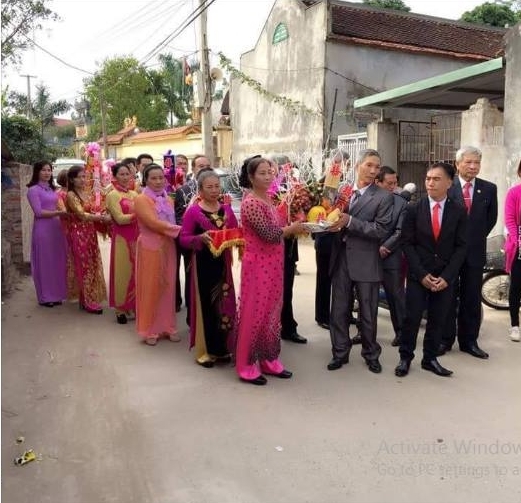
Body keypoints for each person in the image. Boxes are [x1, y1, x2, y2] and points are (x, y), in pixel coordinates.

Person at [235, 156, 306, 385]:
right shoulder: (251, 202)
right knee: (254, 313)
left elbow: (277, 228)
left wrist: (297, 219)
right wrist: (292, 228)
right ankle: (246, 365)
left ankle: (268, 359)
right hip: (257, 264)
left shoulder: (268, 198)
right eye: (262, 173)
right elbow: (270, 234)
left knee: (272, 312)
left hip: (274, 262)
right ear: (251, 176)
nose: (268, 176)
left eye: (270, 172)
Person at [395, 162, 468, 378]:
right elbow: (407, 243)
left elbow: (462, 246)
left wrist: (447, 276)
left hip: (444, 276)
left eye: (436, 179)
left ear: (449, 182)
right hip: (419, 274)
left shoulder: (458, 211)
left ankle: (430, 359)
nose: (430, 183)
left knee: (438, 319)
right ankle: (405, 357)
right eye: (428, 178)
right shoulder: (413, 209)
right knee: (412, 318)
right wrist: (420, 273)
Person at [326, 149, 393, 373]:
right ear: (357, 165)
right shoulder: (341, 190)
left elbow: (381, 230)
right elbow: (327, 215)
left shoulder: (383, 197)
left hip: (366, 260)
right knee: (339, 309)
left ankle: (371, 353)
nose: (373, 171)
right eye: (369, 165)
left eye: (377, 167)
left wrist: (350, 221)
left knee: (368, 312)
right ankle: (339, 352)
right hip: (341, 258)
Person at [439, 146, 498, 359]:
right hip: (449, 254)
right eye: (468, 162)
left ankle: (469, 341)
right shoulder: (447, 186)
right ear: (457, 164)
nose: (473, 167)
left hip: (474, 253)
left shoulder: (489, 189)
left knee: (471, 298)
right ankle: (445, 339)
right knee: (447, 296)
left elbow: (490, 221)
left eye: (477, 163)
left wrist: (472, 239)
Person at [180, 170, 239, 367]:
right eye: (209, 187)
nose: (214, 190)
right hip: (203, 266)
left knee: (225, 304)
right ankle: (204, 351)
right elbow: (183, 238)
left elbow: (235, 231)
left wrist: (230, 216)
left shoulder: (226, 209)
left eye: (217, 186)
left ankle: (222, 348)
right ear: (200, 190)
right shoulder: (194, 211)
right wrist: (199, 238)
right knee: (206, 305)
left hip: (223, 265)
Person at [134, 163, 181, 346]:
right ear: (145, 180)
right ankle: (149, 329)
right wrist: (181, 230)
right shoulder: (141, 199)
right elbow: (153, 223)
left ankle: (168, 326)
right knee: (151, 286)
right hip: (149, 246)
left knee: (168, 286)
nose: (158, 181)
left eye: (161, 177)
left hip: (168, 246)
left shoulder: (168, 199)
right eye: (153, 178)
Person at [65, 165, 111, 314]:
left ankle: (88, 298)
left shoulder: (85, 193)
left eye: (84, 176)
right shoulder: (71, 195)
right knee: (83, 267)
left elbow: (91, 210)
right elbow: (81, 215)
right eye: (80, 177)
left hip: (90, 233)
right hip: (78, 234)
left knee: (92, 264)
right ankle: (87, 301)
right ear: (72, 179)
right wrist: (101, 217)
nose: (83, 179)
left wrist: (101, 212)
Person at [26, 160, 68, 307]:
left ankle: (57, 295)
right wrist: (59, 213)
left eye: (49, 170)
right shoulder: (33, 190)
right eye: (43, 170)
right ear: (37, 172)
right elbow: (38, 212)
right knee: (45, 263)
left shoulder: (51, 190)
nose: (47, 173)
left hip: (56, 229)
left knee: (57, 262)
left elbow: (59, 204)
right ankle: (45, 297)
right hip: (43, 229)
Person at [174, 155, 212, 316]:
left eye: (207, 166)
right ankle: (192, 313)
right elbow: (178, 216)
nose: (204, 169)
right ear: (194, 169)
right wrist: (192, 234)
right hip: (191, 240)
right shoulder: (183, 190)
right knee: (192, 277)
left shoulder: (216, 188)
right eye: (200, 166)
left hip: (212, 242)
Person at [375, 166, 407, 347]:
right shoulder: (368, 199)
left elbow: (400, 230)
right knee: (367, 296)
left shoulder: (401, 203)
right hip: (369, 254)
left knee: (395, 295)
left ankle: (401, 333)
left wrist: (385, 247)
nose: (393, 187)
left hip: (391, 254)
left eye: (395, 183)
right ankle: (365, 332)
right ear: (377, 182)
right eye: (389, 183)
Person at [105, 162, 139, 324]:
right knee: (122, 272)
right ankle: (120, 309)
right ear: (115, 176)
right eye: (122, 174)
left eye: (128, 174)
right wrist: (139, 215)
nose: (125, 177)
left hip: (137, 237)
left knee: (136, 272)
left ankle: (133, 305)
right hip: (122, 239)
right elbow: (119, 219)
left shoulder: (134, 194)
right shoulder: (112, 195)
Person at [504, 159, 521, 342]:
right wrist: (518, 240)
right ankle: (515, 325)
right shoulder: (514, 193)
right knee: (516, 286)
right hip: (519, 246)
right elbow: (510, 220)